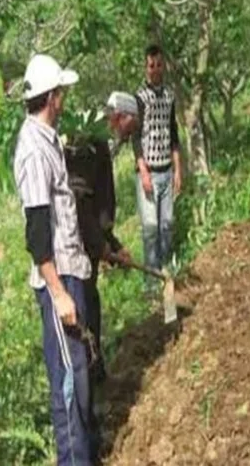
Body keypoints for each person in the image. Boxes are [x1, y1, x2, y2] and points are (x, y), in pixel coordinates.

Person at [13, 54, 100, 464]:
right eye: (62, 93)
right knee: (67, 383)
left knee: (80, 374)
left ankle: (88, 453)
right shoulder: (33, 151)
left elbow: (65, 213)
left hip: (71, 270)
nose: (64, 99)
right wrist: (59, 293)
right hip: (57, 283)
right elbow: (37, 231)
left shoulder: (49, 141)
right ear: (52, 98)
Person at [63, 93, 137, 386]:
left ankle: (97, 377)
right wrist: (100, 246)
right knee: (84, 313)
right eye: (133, 125)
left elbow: (97, 208)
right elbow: (79, 203)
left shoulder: (99, 144)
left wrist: (114, 245)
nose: (131, 135)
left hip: (88, 245)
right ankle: (90, 385)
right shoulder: (89, 144)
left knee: (92, 306)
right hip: (74, 249)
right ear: (121, 117)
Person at [133, 45, 183, 276]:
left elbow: (174, 134)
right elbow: (136, 138)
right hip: (149, 171)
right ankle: (152, 276)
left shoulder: (170, 96)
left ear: (164, 66)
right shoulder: (140, 98)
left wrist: (178, 171)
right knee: (151, 227)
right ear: (146, 67)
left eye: (158, 65)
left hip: (166, 169)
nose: (155, 70)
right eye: (151, 65)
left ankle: (166, 269)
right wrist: (143, 171)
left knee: (167, 224)